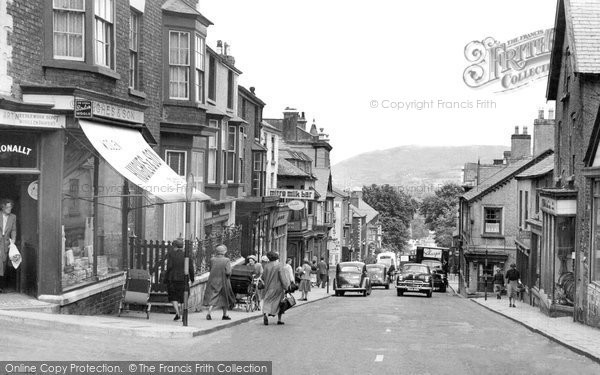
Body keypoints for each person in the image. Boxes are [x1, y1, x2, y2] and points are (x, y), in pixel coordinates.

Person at [163, 239, 195, 321]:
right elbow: (191, 268)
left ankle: (177, 313)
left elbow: (169, 267)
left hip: (172, 278)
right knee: (184, 296)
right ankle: (184, 313)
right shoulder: (187, 255)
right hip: (183, 278)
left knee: (173, 296)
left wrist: (166, 278)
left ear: (175, 246)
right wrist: (192, 278)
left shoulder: (171, 254)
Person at [203, 244, 236, 320]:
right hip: (223, 281)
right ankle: (224, 315)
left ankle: (209, 313)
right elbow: (228, 272)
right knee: (225, 297)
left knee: (213, 296)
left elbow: (210, 269)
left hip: (213, 280)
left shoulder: (212, 259)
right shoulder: (226, 260)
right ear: (223, 252)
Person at [261, 252, 291, 325]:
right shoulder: (279, 265)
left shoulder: (266, 266)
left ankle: (265, 314)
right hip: (278, 288)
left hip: (268, 287)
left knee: (267, 301)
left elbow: (263, 277)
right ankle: (279, 319)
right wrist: (286, 287)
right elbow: (283, 278)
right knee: (279, 303)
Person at [0, 199, 17, 294]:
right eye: (7, 207)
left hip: (6, 243)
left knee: (3, 263)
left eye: (10, 207)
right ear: (3, 207)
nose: (9, 209)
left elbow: (14, 229)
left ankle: (1, 286)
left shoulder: (13, 217)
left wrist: (13, 240)